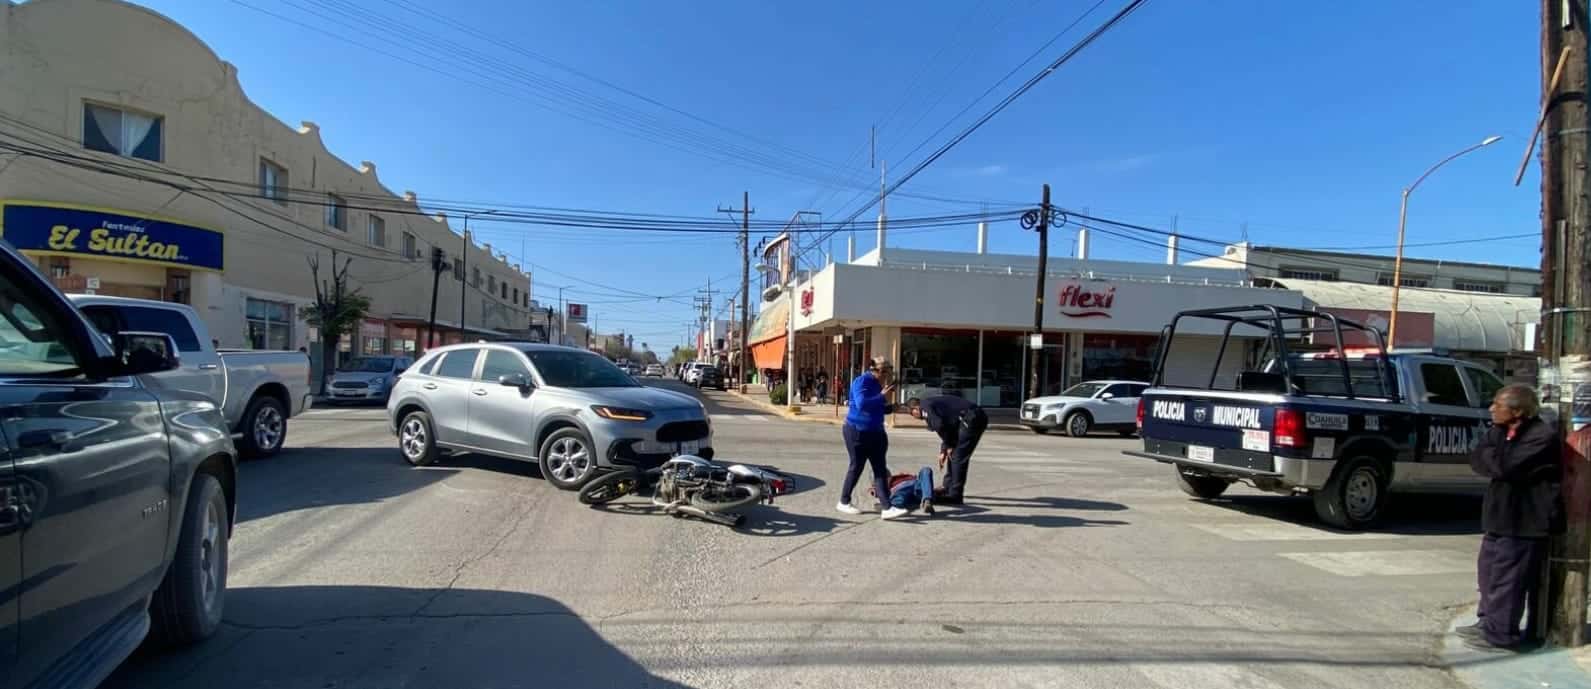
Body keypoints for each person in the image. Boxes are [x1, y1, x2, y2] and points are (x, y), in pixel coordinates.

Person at [1459, 384, 1562, 652]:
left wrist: (1494, 457)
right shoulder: (1500, 431)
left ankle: (1501, 634)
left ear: (1517, 411)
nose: (1492, 409)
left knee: (1508, 580)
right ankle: (1487, 622)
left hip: (1524, 521)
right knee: (1488, 574)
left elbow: (1506, 466)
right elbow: (1477, 459)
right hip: (1498, 516)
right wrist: (1494, 455)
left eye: (1498, 405)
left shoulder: (1540, 436)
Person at [838, 356, 895, 516]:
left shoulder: (878, 384)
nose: (885, 374)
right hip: (857, 431)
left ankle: (887, 508)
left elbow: (876, 407)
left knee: (880, 469)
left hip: (876, 432)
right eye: (882, 370)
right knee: (856, 467)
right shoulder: (861, 382)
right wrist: (881, 396)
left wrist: (891, 408)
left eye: (887, 370)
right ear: (872, 369)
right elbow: (862, 404)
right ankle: (843, 501)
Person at [910, 394, 988, 505]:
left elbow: (939, 426)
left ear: (915, 409)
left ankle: (955, 495)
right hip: (967, 418)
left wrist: (949, 445)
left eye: (912, 414)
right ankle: (947, 487)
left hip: (972, 418)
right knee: (954, 453)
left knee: (958, 456)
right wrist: (945, 449)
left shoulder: (925, 406)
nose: (915, 418)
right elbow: (946, 427)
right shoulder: (931, 405)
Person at [869, 466, 935, 520]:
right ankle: (886, 507)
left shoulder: (898, 477)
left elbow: (920, 479)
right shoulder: (882, 487)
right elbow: (877, 491)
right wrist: (876, 491)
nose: (886, 479)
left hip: (916, 486)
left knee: (926, 470)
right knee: (898, 499)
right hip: (901, 493)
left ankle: (927, 500)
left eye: (886, 476)